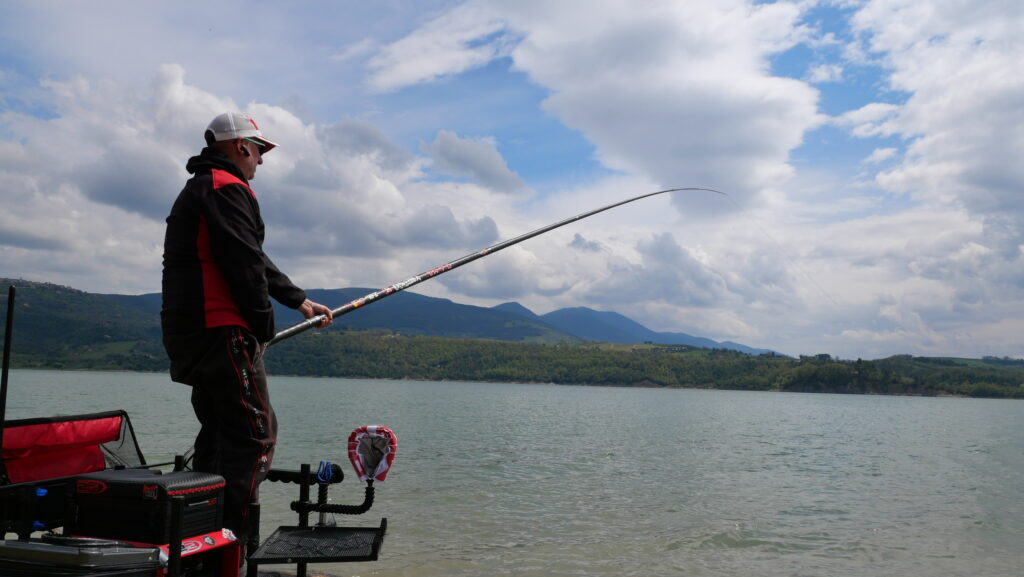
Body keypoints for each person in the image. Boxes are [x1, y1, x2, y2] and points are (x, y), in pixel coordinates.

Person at [160, 112, 333, 557]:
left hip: (193, 336)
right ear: (240, 146)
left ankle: (195, 542)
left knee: (218, 437)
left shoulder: (203, 186)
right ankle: (227, 552)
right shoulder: (226, 186)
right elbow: (244, 262)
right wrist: (263, 329)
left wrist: (297, 300)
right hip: (223, 332)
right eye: (259, 149)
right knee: (255, 436)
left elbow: (249, 253)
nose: (261, 159)